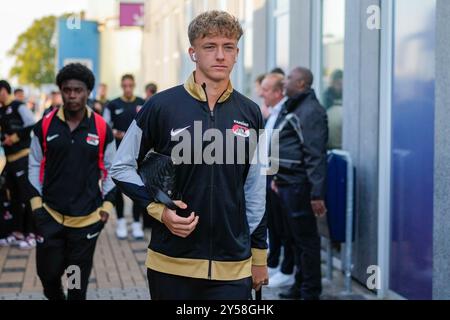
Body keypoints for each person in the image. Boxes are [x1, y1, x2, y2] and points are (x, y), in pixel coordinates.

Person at [111, 10, 268, 300]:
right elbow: (121, 166)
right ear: (193, 52)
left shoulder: (251, 112)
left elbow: (256, 189)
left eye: (228, 47)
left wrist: (259, 256)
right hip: (171, 263)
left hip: (232, 267)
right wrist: (158, 211)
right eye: (210, 47)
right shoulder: (160, 106)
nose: (220, 55)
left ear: (236, 53)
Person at [28, 63, 116, 300]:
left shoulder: (101, 128)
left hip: (86, 224)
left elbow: (112, 169)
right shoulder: (45, 126)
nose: (73, 95)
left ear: (88, 92)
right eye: (67, 90)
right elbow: (34, 165)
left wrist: (106, 207)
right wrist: (37, 206)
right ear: (61, 91)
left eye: (78, 90)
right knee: (48, 275)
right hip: (51, 219)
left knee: (76, 285)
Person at [272, 67, 328, 300]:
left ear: (303, 83)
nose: (285, 82)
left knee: (306, 241)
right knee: (295, 240)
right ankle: (299, 285)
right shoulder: (295, 106)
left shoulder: (311, 111)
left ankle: (310, 291)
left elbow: (315, 155)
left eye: (290, 79)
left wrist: (317, 194)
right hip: (285, 183)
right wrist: (277, 177)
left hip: (299, 187)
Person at [260, 73, 295, 287]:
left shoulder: (287, 111)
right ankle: (273, 264)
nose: (260, 93)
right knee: (272, 223)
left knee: (284, 226)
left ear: (277, 92)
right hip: (267, 173)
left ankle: (288, 269)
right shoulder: (272, 112)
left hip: (279, 177)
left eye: (265, 89)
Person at [103, 74, 146, 240]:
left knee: (138, 187)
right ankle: (120, 221)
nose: (128, 88)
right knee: (119, 188)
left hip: (138, 153)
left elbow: (149, 126)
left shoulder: (142, 103)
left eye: (130, 85)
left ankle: (136, 223)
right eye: (125, 85)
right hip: (118, 153)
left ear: (134, 85)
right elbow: (106, 128)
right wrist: (117, 133)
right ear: (122, 86)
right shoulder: (113, 104)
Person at [0, 80, 36, 249]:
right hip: (10, 160)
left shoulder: (18, 106)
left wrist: (14, 137)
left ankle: (31, 234)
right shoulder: (1, 111)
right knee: (13, 198)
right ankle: (17, 232)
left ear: (3, 91)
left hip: (23, 158)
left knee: (27, 197)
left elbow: (32, 124)